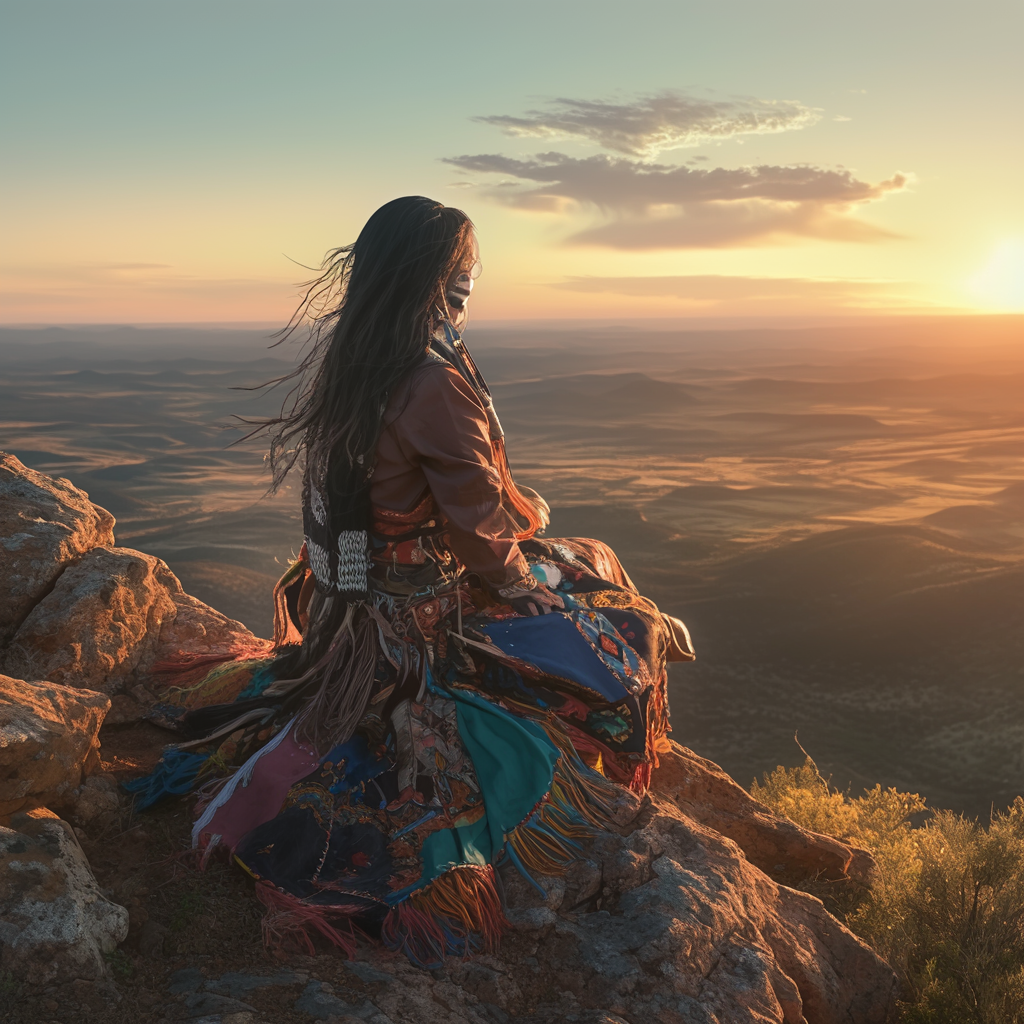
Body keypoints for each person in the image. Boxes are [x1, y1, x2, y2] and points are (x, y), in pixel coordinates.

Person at [128, 196, 694, 968]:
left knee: (581, 561)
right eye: (461, 269)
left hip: (347, 604)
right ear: (432, 278)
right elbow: (475, 519)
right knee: (623, 625)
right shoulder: (433, 378)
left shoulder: (363, 354)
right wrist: (520, 580)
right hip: (414, 621)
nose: (469, 282)